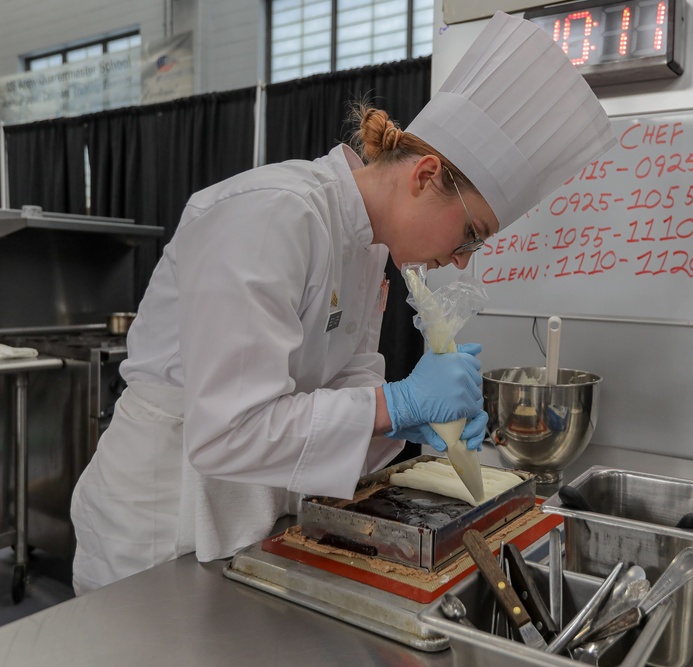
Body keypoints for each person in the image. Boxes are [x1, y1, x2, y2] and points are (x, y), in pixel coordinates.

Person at [70, 11, 614, 594]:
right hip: (159, 525)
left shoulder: (364, 250)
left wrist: (415, 419)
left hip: (249, 518)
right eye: (472, 233)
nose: (462, 259)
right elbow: (230, 430)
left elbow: (340, 403)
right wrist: (400, 403)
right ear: (426, 175)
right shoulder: (274, 214)